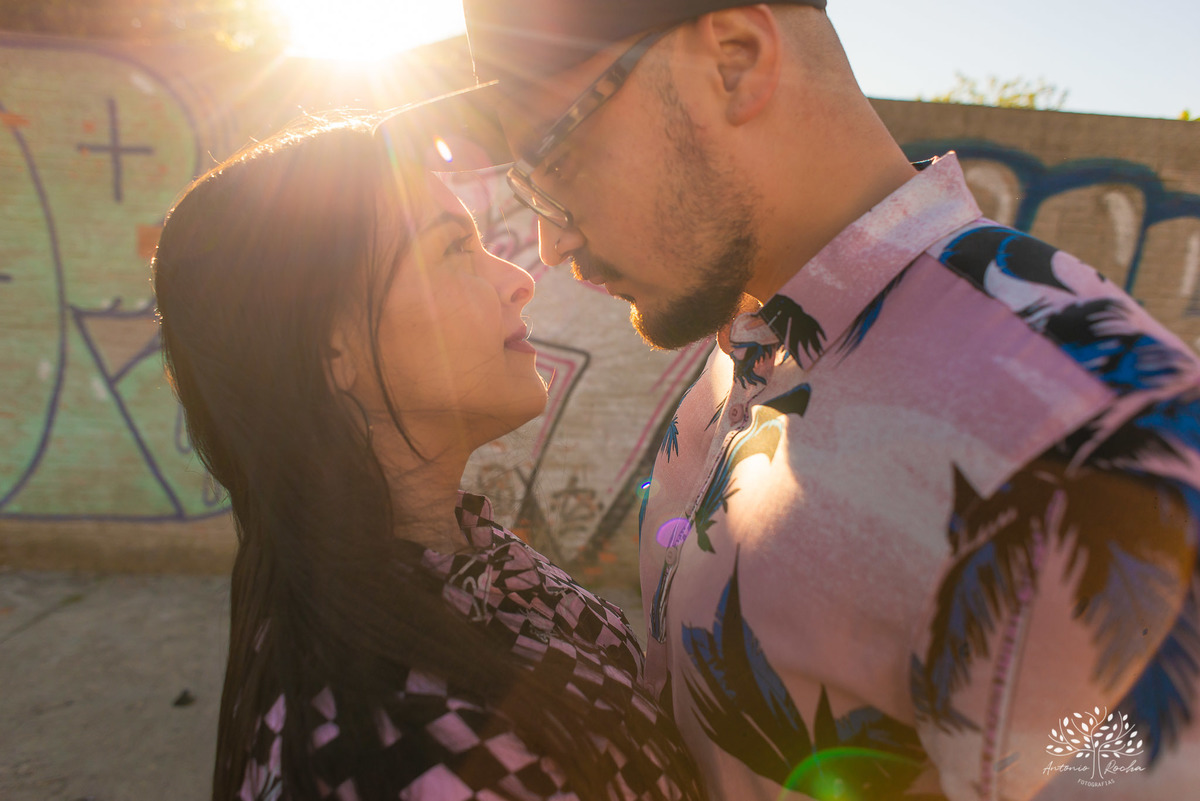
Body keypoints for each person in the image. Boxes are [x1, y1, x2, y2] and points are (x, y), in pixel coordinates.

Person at [453, 1, 1200, 798]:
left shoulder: (1093, 450)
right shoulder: (740, 351)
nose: (548, 241)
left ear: (734, 62)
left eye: (553, 161)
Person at [151, 110, 706, 801]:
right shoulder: (414, 757)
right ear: (332, 349)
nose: (519, 278)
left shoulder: (452, 550)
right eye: (453, 250)